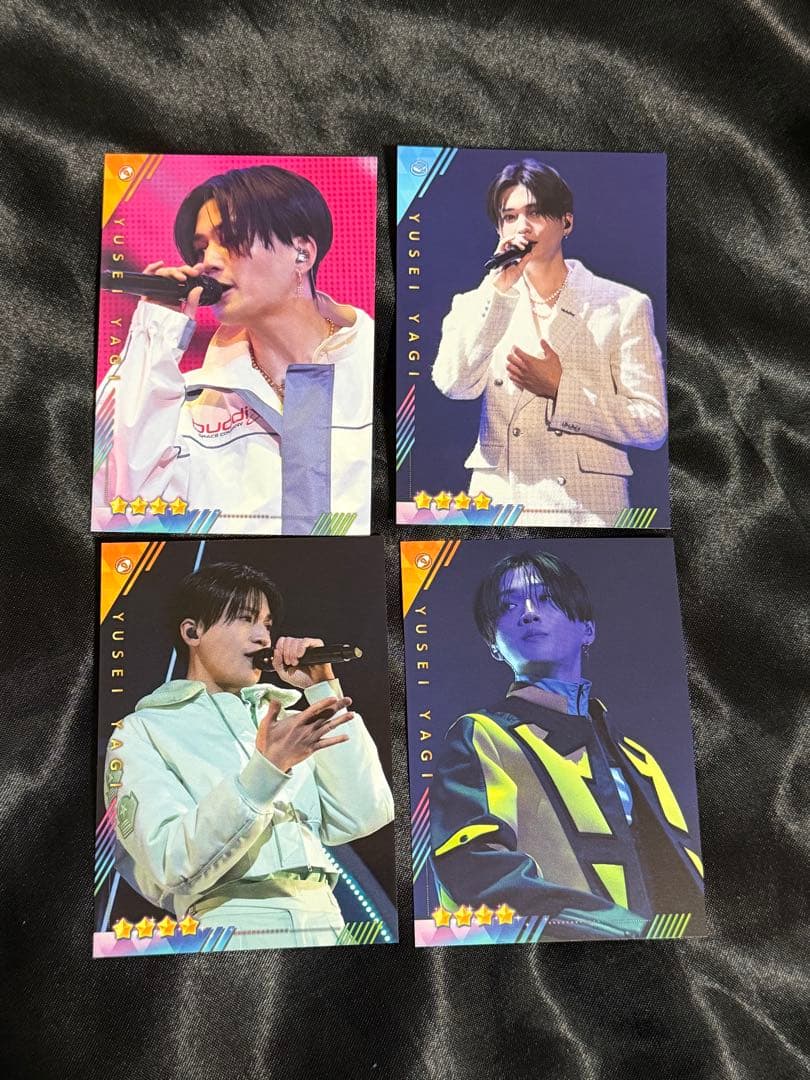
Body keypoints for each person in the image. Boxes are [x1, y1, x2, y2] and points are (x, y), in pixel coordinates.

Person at [104, 562, 394, 950]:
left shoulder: (287, 722)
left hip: (328, 917)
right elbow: (170, 860)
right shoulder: (144, 731)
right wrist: (267, 770)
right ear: (193, 632)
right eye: (245, 619)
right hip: (233, 924)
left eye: (267, 624)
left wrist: (322, 690)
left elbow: (364, 814)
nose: (263, 637)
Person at [429, 551, 705, 941]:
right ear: (494, 645)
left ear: (587, 629)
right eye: (508, 606)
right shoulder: (482, 735)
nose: (528, 613)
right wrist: (623, 931)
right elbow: (476, 870)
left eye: (546, 599)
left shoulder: (637, 758)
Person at [93, 164, 373, 535]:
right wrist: (153, 335)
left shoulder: (381, 367)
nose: (207, 261)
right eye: (201, 248)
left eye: (229, 238)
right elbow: (118, 508)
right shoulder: (187, 404)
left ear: (302, 254)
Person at [432, 160, 668, 526]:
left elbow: (652, 425)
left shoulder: (623, 305)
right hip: (502, 499)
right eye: (510, 217)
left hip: (587, 508)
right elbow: (454, 384)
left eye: (535, 213)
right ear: (499, 228)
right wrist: (500, 290)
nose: (522, 227)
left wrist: (561, 389)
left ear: (566, 222)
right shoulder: (475, 303)